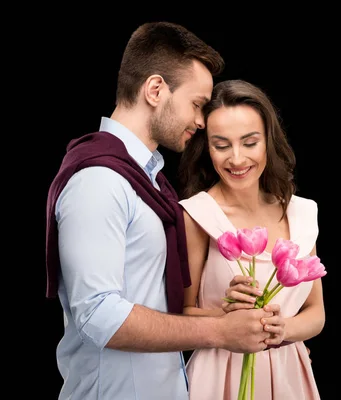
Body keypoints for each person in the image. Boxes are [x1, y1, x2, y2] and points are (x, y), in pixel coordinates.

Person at [44, 22, 278, 400]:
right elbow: (98, 315)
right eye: (197, 104)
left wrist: (224, 313)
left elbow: (151, 298)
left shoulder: (147, 181)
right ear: (155, 90)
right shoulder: (99, 181)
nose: (201, 121)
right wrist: (219, 333)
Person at [178, 79, 326, 399]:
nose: (237, 159)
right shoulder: (196, 215)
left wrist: (283, 330)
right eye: (221, 145)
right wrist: (226, 315)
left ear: (268, 141)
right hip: (219, 374)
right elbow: (181, 314)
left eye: (249, 142)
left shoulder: (300, 213)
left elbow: (316, 313)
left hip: (290, 375)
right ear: (207, 147)